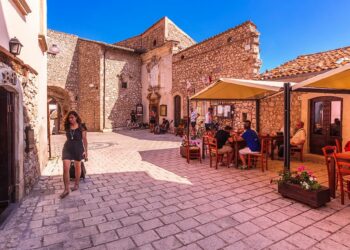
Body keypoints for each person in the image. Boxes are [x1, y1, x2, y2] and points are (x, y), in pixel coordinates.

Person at [60, 111, 88, 199]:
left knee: (77, 167)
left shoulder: (82, 127)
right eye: (69, 118)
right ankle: (66, 189)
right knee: (65, 168)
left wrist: (86, 152)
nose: (70, 119)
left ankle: (76, 184)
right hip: (67, 148)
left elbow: (85, 140)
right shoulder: (67, 126)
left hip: (78, 148)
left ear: (76, 117)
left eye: (72, 117)